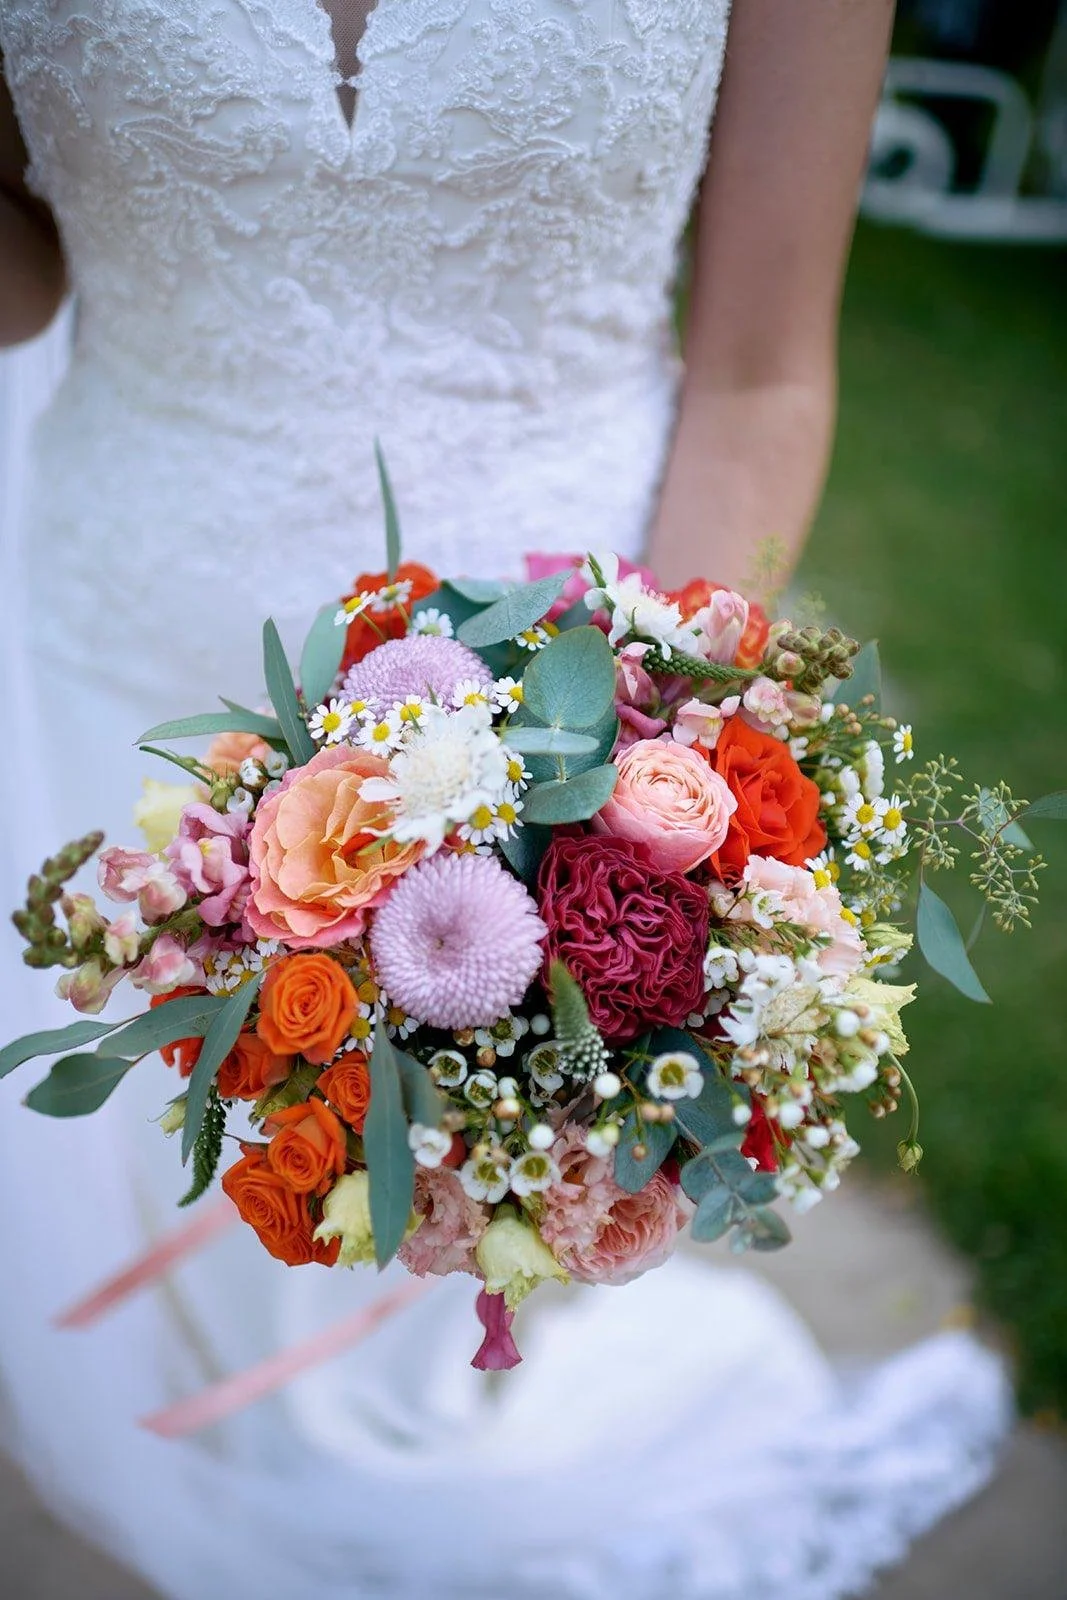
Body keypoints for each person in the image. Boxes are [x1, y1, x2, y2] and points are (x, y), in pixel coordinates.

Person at [0, 5, 1008, 1597]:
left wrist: (650, 741)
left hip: (560, 676)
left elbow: (760, 371)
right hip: (125, 638)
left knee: (454, 1248)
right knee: (201, 1208)